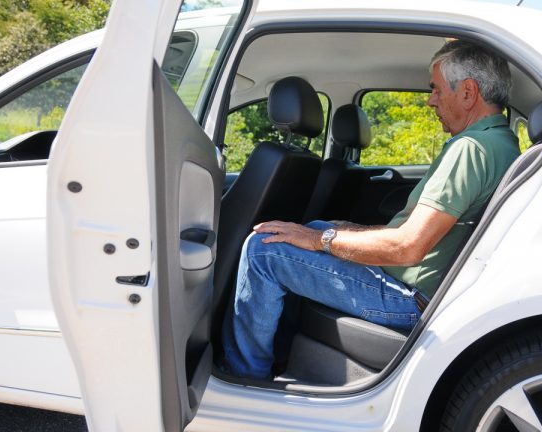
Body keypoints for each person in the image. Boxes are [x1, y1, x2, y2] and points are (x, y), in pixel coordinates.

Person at [221, 40, 521, 379]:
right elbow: (414, 233)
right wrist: (342, 231)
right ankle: (282, 357)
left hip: (408, 299)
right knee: (316, 226)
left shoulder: (470, 150)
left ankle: (245, 377)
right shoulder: (502, 143)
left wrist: (321, 240)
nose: (431, 100)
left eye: (436, 90)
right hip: (420, 287)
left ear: (468, 92)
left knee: (263, 250)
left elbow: (409, 247)